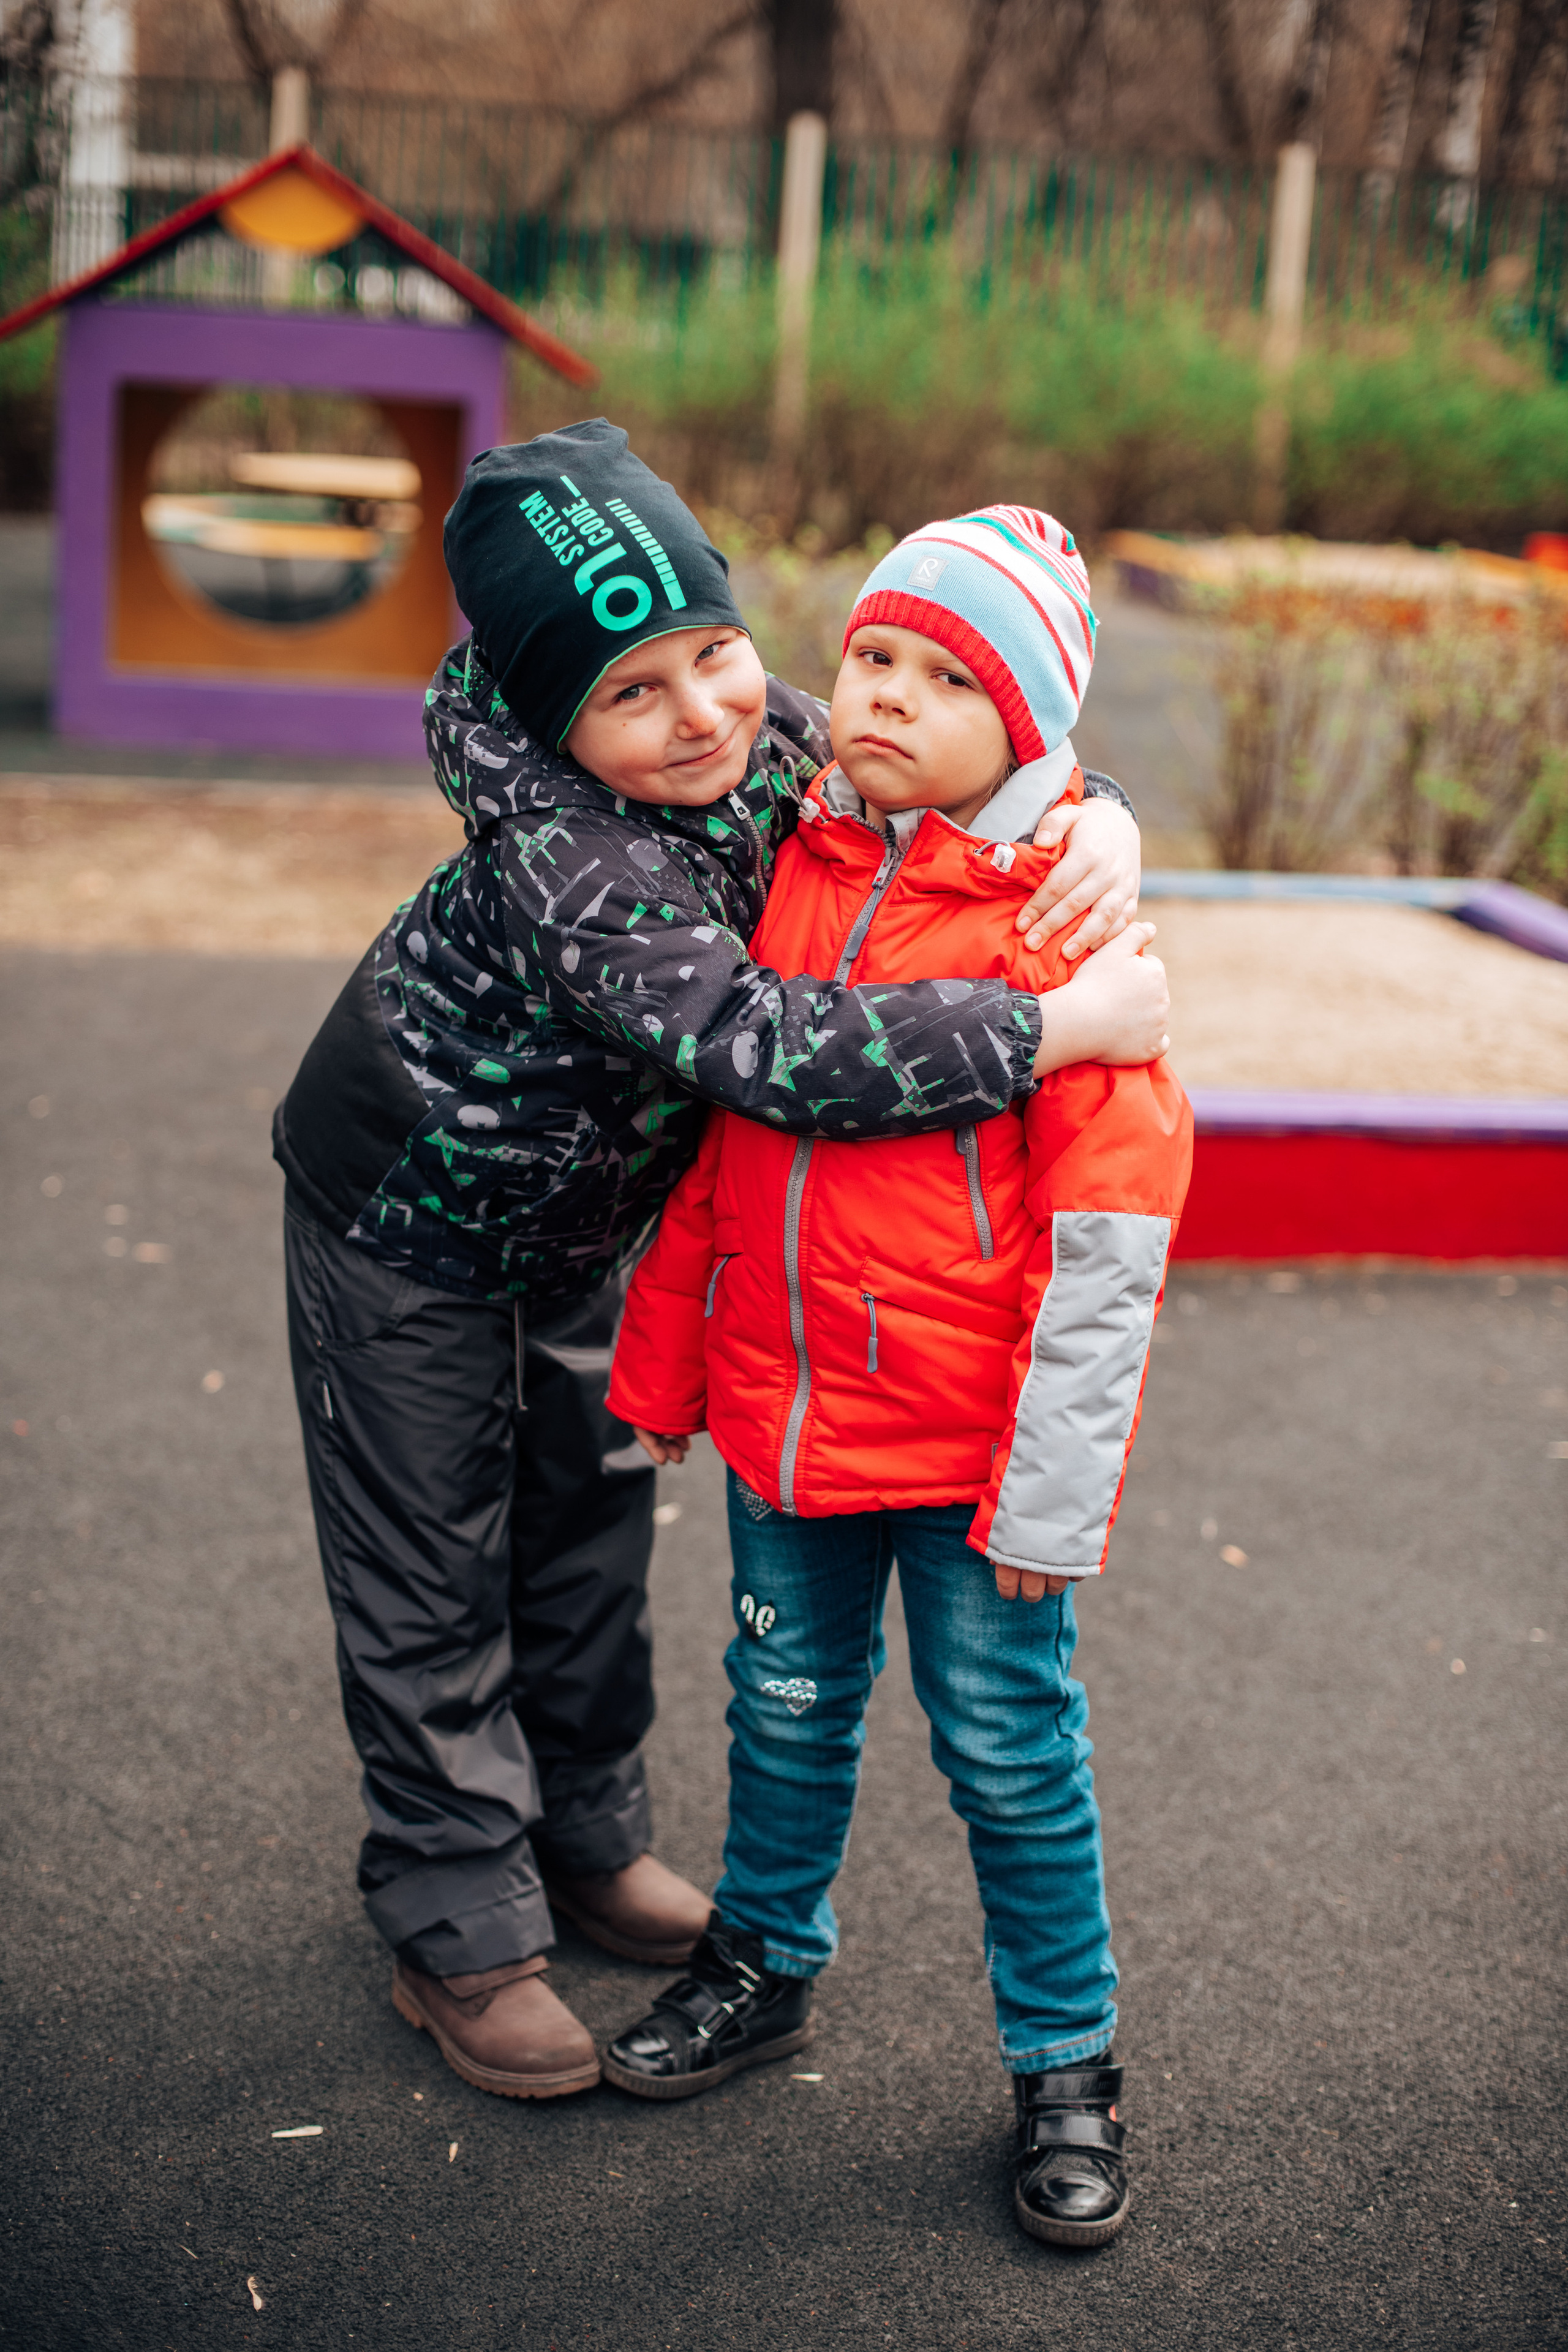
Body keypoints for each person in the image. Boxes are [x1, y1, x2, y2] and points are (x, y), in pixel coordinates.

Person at [274, 424, 1163, 2100]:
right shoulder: (573, 851)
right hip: (412, 1215)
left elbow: (955, 749)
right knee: (431, 1569)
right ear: (556, 720)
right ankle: (461, 1923)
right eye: (633, 693)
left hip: (590, 1217)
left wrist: (1098, 816)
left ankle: (591, 1838)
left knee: (586, 1529)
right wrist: (1049, 1027)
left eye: (718, 656)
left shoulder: (761, 742)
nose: (703, 718)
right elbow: (766, 1045)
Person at [601, 505, 1193, 2249]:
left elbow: (1111, 1246)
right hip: (790, 1433)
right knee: (780, 1715)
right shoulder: (796, 859)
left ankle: (1066, 2065)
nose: (885, 699)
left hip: (975, 1466)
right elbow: (730, 1158)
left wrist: (1058, 1497)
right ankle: (764, 1959)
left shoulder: (1066, 928)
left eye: (948, 679)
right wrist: (662, 1377)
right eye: (871, 657)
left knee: (1009, 1756)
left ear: (1029, 731)